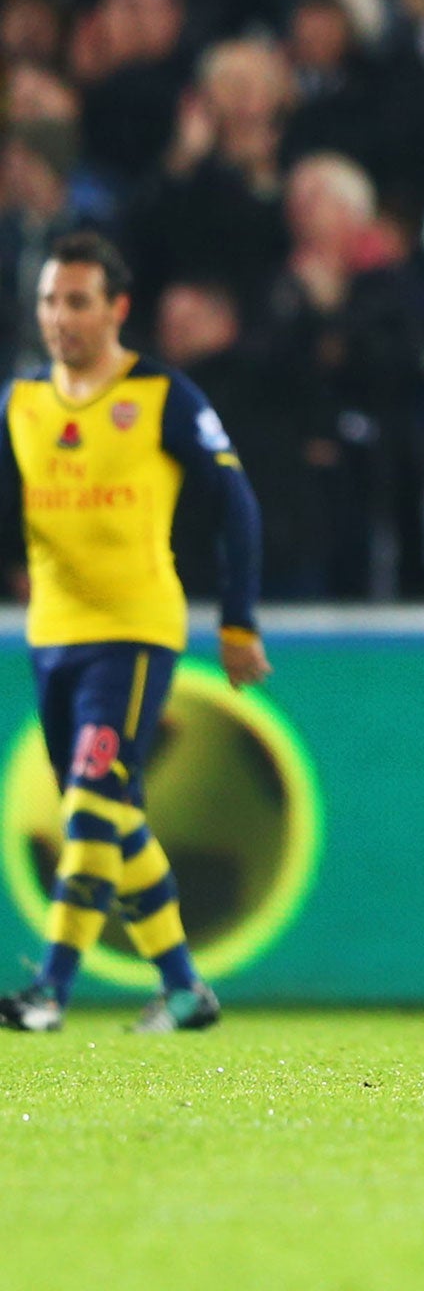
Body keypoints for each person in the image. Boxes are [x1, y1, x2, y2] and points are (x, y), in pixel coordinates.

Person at [0, 231, 269, 1034]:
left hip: (136, 633)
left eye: (76, 300)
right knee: (115, 812)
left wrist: (238, 619)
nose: (59, 317)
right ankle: (186, 992)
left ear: (116, 308)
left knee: (87, 802)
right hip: (52, 636)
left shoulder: (162, 394)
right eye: (50, 300)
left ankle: (48, 990)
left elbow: (236, 504)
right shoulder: (22, 402)